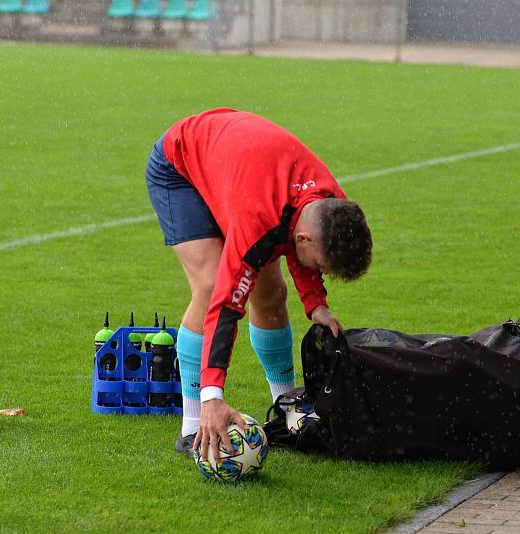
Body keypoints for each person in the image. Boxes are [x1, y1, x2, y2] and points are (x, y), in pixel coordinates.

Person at [144, 108, 373, 459]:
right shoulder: (258, 221)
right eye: (324, 268)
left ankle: (286, 410)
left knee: (272, 293)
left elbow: (301, 240)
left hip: (240, 171)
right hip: (181, 167)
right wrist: (212, 396)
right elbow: (227, 307)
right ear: (306, 240)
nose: (322, 273)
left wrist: (316, 304)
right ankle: (193, 425)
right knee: (209, 286)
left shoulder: (330, 204)